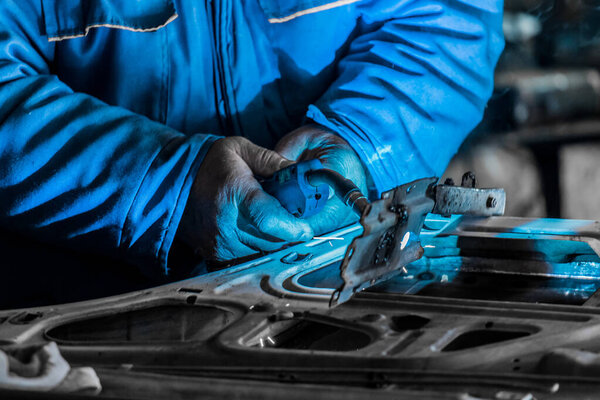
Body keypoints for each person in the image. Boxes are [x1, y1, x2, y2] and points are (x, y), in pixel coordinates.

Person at [0, 0, 504, 307]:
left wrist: (361, 142)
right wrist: (167, 187)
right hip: (69, 317)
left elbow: (445, 18)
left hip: (333, 307)